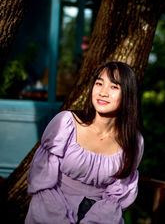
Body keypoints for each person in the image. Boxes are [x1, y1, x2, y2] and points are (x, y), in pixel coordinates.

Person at [25, 61, 144, 224]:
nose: (103, 92)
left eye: (114, 87)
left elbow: (117, 196)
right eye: (99, 83)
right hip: (51, 212)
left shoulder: (133, 141)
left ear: (128, 95)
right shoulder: (66, 124)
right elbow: (42, 182)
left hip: (100, 217)